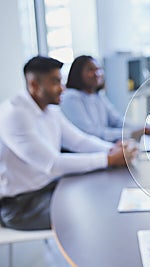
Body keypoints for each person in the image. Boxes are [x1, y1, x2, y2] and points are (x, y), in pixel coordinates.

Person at [0, 56, 136, 231]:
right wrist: (109, 159)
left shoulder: (50, 109)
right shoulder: (15, 115)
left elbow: (79, 141)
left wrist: (113, 149)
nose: (62, 88)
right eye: (55, 82)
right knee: (95, 210)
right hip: (21, 205)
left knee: (104, 192)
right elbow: (53, 164)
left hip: (50, 187)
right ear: (34, 85)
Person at [60, 55, 150, 142]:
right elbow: (90, 133)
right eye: (90, 70)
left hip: (103, 145)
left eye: (98, 69)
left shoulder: (97, 95)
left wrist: (144, 127)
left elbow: (117, 120)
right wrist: (130, 133)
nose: (97, 73)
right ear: (78, 73)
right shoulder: (72, 97)